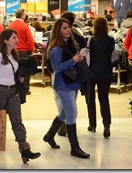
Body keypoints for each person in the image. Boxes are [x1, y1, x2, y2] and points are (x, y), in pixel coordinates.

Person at [0, 28, 41, 163]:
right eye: (14, 38)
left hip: (13, 91)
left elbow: (13, 71)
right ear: (5, 40)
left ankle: (24, 149)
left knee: (17, 120)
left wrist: (19, 78)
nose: (17, 40)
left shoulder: (14, 55)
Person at [43, 18, 90, 159]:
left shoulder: (71, 44)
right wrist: (73, 61)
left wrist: (79, 58)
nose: (68, 30)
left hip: (72, 82)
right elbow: (57, 68)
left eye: (68, 27)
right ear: (58, 31)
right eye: (64, 28)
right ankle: (74, 148)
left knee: (64, 114)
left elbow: (70, 62)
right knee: (71, 114)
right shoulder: (56, 49)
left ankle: (49, 135)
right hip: (63, 84)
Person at [86, 17, 115, 138]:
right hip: (106, 72)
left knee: (90, 99)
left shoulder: (91, 40)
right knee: (104, 99)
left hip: (92, 73)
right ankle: (106, 125)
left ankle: (92, 124)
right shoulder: (111, 40)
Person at [8, 8, 35, 95]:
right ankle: (25, 88)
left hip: (13, 51)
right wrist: (32, 49)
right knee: (25, 70)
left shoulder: (10, 25)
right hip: (24, 51)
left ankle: (15, 85)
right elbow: (30, 39)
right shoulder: (24, 26)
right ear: (22, 15)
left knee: (14, 69)